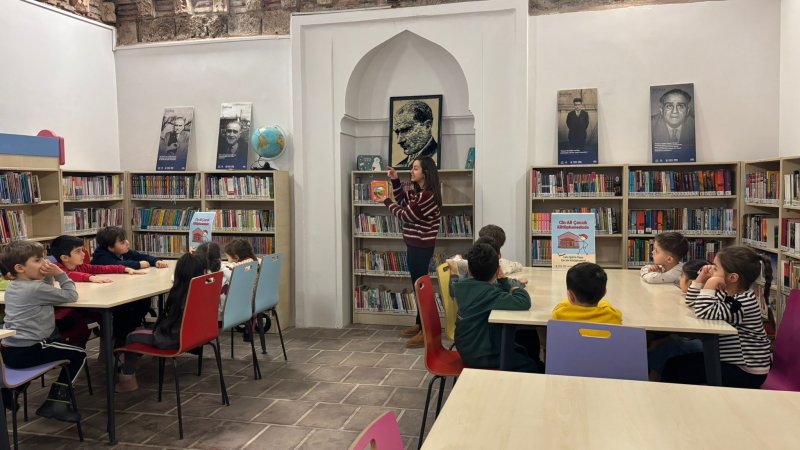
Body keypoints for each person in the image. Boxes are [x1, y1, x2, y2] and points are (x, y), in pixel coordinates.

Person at [661, 246, 772, 388]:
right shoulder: (726, 291)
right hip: (730, 361)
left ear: (732, 278)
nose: (710, 269)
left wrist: (710, 283)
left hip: (745, 372)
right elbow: (692, 302)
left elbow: (703, 312)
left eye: (715, 267)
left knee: (677, 370)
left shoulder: (742, 303)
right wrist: (700, 279)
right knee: (673, 364)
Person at [0, 241, 84, 422]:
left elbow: (47, 292)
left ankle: (10, 392)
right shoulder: (35, 288)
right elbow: (71, 295)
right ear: (20, 268)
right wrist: (60, 274)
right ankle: (57, 403)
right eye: (38, 260)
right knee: (79, 353)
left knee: (60, 345)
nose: (45, 263)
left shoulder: (14, 286)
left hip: (10, 350)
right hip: (30, 348)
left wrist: (46, 276)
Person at [374, 157, 442, 347]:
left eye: (416, 168)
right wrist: (395, 180)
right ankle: (419, 325)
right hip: (416, 246)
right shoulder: (419, 193)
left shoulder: (427, 196)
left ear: (425, 173)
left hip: (421, 247)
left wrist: (386, 201)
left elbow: (405, 215)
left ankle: (425, 332)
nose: (412, 171)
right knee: (418, 288)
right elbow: (404, 201)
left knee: (421, 290)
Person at [116, 253, 208, 393]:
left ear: (179, 273)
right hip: (194, 336)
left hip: (172, 340)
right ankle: (139, 361)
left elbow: (168, 321)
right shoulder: (201, 290)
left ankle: (128, 379)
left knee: (131, 336)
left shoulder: (180, 293)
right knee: (151, 328)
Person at [451, 242, 540, 372]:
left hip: (467, 347)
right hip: (480, 355)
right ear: (497, 270)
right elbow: (523, 301)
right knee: (530, 364)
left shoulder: (464, 286)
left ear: (469, 269)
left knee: (523, 344)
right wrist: (503, 279)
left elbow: (497, 291)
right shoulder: (488, 294)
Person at [48, 235, 147, 346]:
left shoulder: (81, 266)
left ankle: (108, 348)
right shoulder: (56, 268)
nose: (84, 254)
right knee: (103, 317)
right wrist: (90, 277)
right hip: (66, 309)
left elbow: (101, 268)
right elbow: (67, 275)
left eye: (82, 250)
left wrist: (125, 269)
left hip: (84, 304)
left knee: (110, 316)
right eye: (78, 251)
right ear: (65, 258)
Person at [91, 227, 168, 353]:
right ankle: (121, 338)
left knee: (143, 300)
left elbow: (141, 256)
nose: (127, 243)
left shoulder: (124, 252)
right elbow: (115, 265)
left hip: (124, 291)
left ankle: (129, 334)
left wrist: (156, 261)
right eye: (122, 242)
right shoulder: (101, 257)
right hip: (109, 296)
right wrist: (138, 264)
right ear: (110, 248)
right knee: (128, 309)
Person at [647, 259, 707, 381]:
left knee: (662, 351)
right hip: (692, 338)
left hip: (703, 344)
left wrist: (665, 340)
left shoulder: (698, 302)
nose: (679, 279)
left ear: (691, 284)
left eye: (681, 276)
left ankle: (653, 382)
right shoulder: (703, 295)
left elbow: (688, 333)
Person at [552, 262, 622, 324]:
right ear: (604, 293)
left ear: (571, 296)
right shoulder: (613, 316)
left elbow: (561, 304)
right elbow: (606, 304)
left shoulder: (559, 315)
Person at [392, 101, 438, 168]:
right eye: (397, 132)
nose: (399, 140)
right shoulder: (400, 166)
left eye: (406, 130)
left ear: (427, 126)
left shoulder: (435, 157)